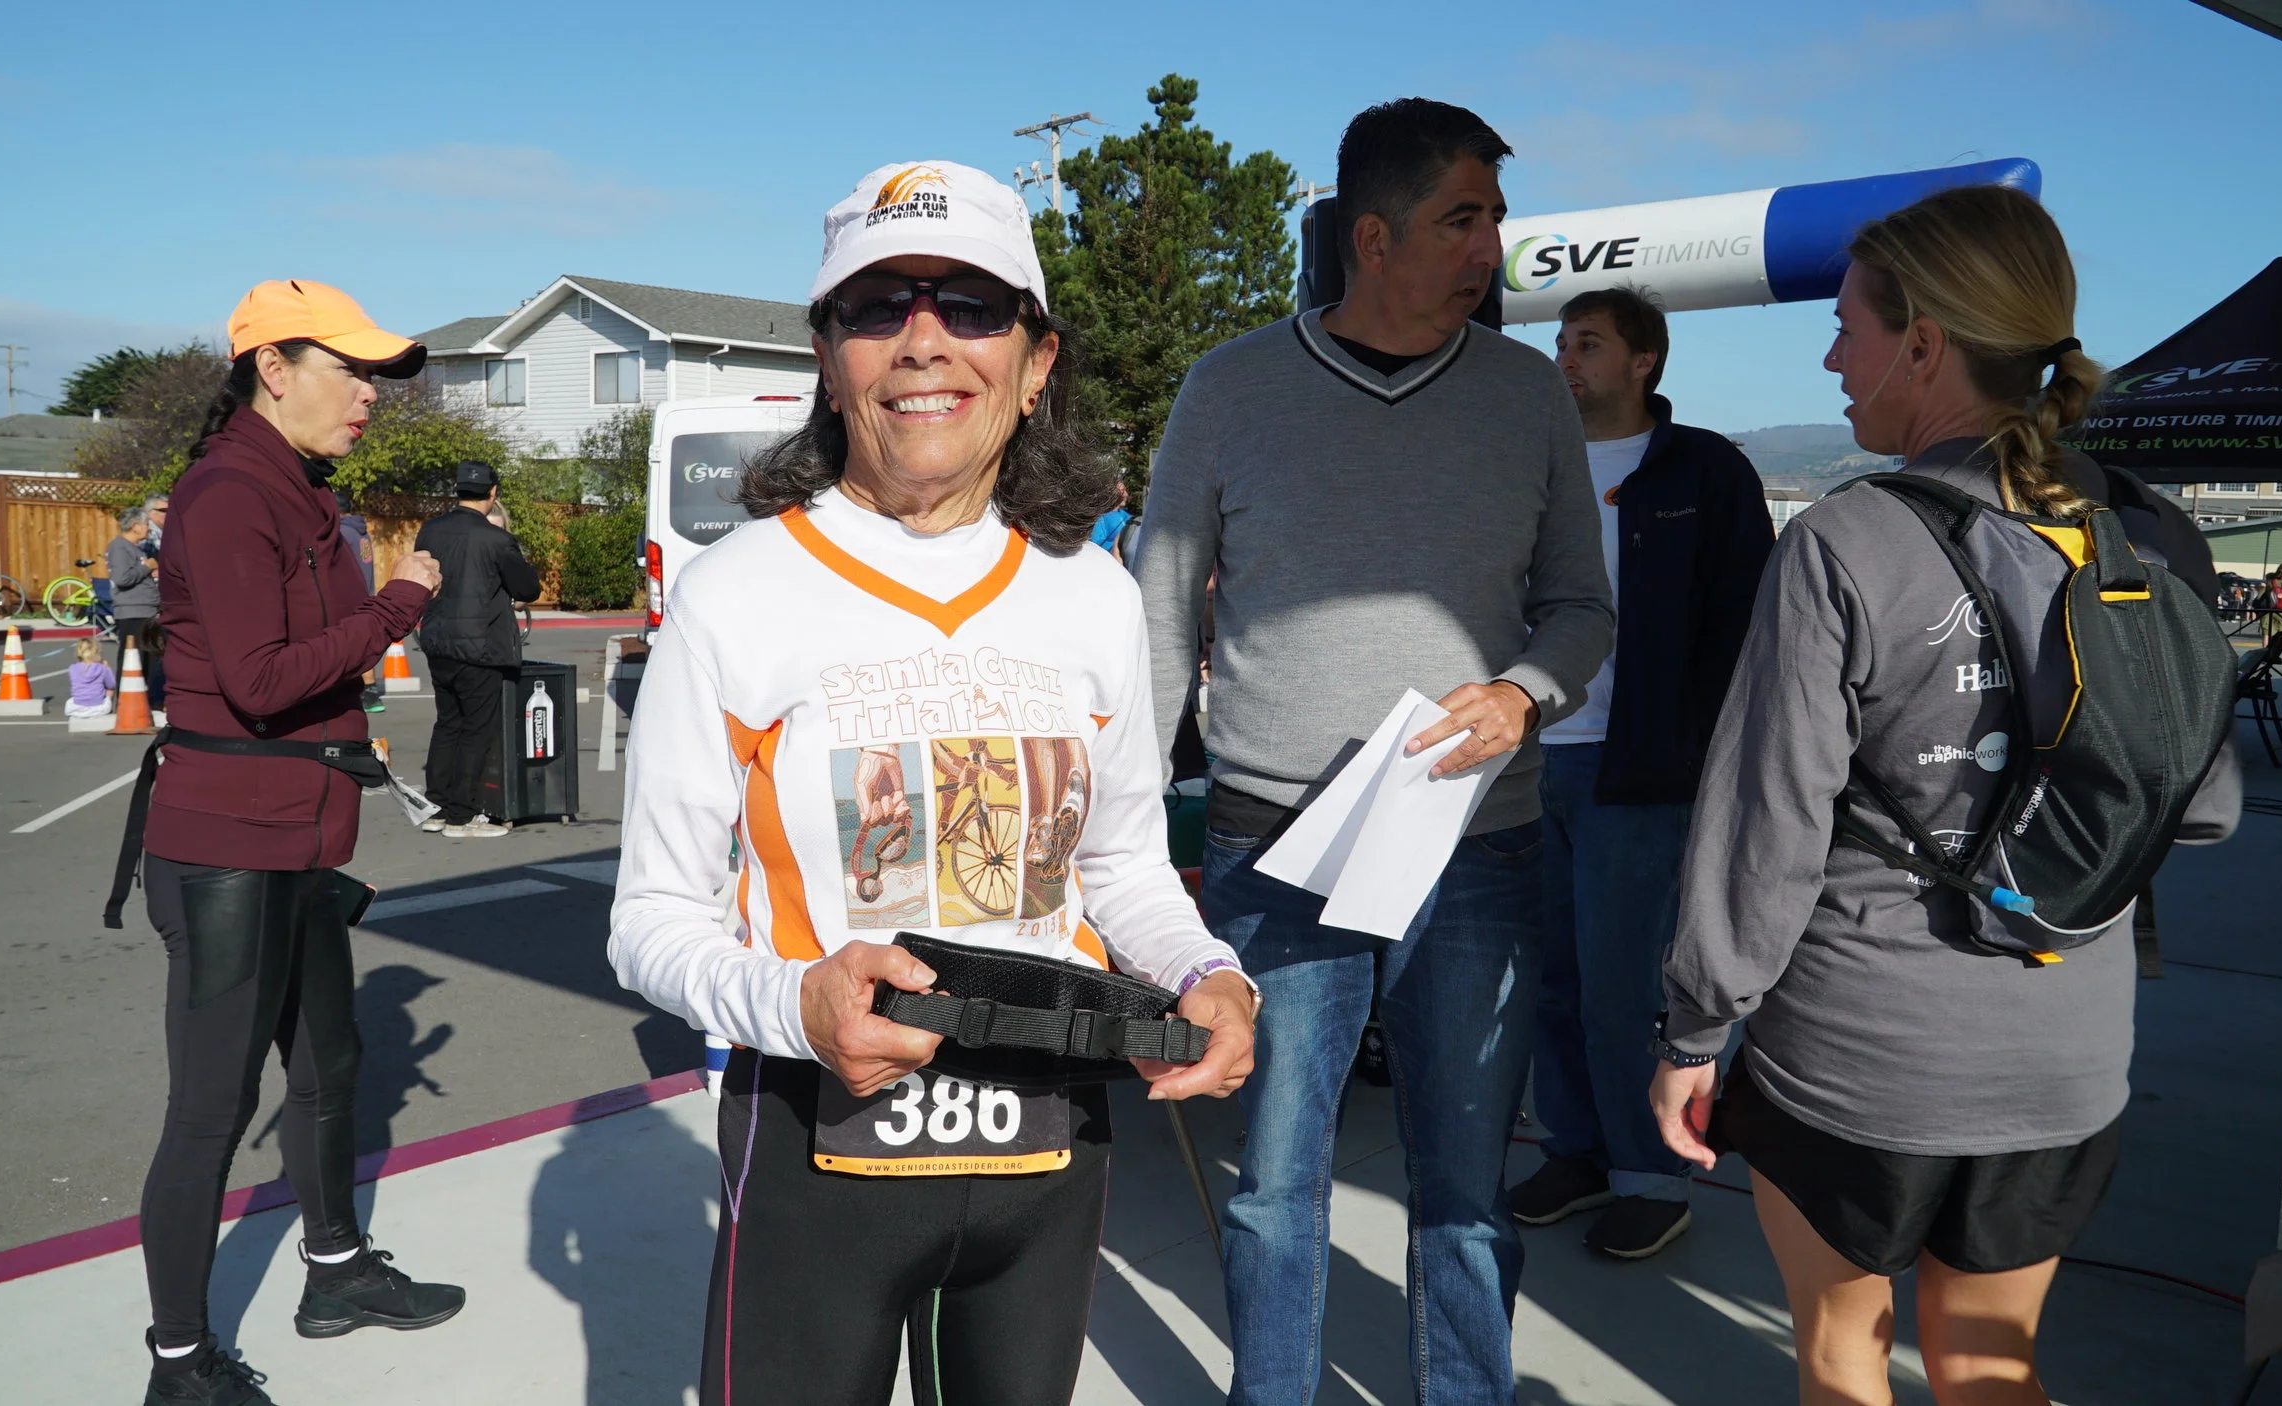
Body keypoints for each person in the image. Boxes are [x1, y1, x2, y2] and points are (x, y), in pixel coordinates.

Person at [609, 158, 1258, 1406]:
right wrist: (795, 1004)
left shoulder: (1094, 593)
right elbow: (653, 919)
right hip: (816, 1150)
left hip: (1045, 1151)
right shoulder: (735, 593)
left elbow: (1120, 864)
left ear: (1035, 359)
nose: (923, 341)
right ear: (827, 355)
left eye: (970, 306)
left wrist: (1205, 971)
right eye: (876, 307)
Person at [1649, 185, 2240, 1406]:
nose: (1831, 359)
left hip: (1861, 1058)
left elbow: (1766, 830)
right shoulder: (2148, 534)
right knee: (1989, 1370)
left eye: (1845, 327)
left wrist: (1697, 1029)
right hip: (2067, 1052)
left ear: (1920, 345)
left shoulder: (1846, 540)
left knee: (1841, 1358)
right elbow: (2202, 805)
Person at [1134, 99, 1614, 1405]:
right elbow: (1160, 614)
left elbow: (1582, 605)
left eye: (1496, 218)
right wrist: (1126, 842)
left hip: (1475, 843)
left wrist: (1521, 692)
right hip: (1272, 847)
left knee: (1465, 1188)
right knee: (1274, 1181)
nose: (1493, 248)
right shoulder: (1231, 386)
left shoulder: (1527, 393)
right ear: (1373, 236)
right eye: (1464, 218)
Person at [118, 278, 458, 1406]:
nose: (370, 395)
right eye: (350, 370)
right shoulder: (226, 493)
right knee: (211, 1109)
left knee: (328, 1066)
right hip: (226, 847)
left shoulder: (298, 487)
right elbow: (261, 681)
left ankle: (336, 1269)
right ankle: (179, 1364)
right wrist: (398, 603)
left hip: (301, 839)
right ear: (274, 368)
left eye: (373, 375)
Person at [1508, 286, 1774, 1260]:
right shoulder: (1530, 462)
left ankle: (1651, 1174)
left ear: (1644, 360)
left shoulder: (1704, 470)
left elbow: (1746, 622)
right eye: (1561, 342)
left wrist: (1703, 752)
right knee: (1549, 980)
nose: (1566, 360)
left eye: (1588, 343)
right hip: (1526, 759)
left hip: (1640, 775)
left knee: (1624, 990)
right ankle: (1576, 1150)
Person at [413, 461, 539, 838]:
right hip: (480, 645)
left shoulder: (430, 530)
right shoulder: (495, 539)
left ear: (457, 489)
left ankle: (436, 808)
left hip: (438, 640)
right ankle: (462, 816)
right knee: (475, 730)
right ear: (493, 492)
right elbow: (527, 589)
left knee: (447, 723)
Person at [110, 505, 167, 724]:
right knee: (132, 659)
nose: (148, 529)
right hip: (132, 612)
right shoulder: (119, 547)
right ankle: (124, 703)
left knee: (151, 659)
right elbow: (122, 578)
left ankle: (149, 701)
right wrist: (147, 567)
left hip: (148, 609)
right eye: (145, 524)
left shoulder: (138, 549)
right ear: (135, 526)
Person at [334, 488, 385, 713]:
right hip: (364, 592)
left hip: (349, 595)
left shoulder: (342, 532)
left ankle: (358, 692)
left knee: (347, 645)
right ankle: (370, 691)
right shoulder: (360, 530)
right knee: (362, 643)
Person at [64, 637, 114, 719]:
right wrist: (107, 668)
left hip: (77, 708)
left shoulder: (72, 668)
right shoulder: (102, 668)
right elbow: (111, 684)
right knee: (110, 690)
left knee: (72, 698)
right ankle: (109, 710)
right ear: (97, 653)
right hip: (99, 708)